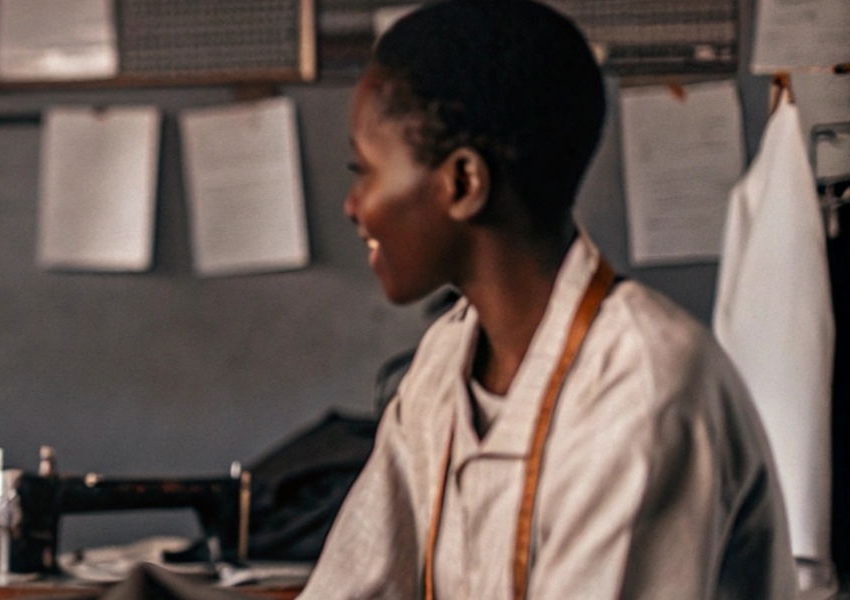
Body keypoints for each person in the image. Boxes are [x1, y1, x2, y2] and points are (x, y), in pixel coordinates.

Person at [301, 1, 794, 598]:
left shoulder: (643, 387)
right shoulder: (445, 361)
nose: (354, 206)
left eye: (366, 171)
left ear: (462, 182)